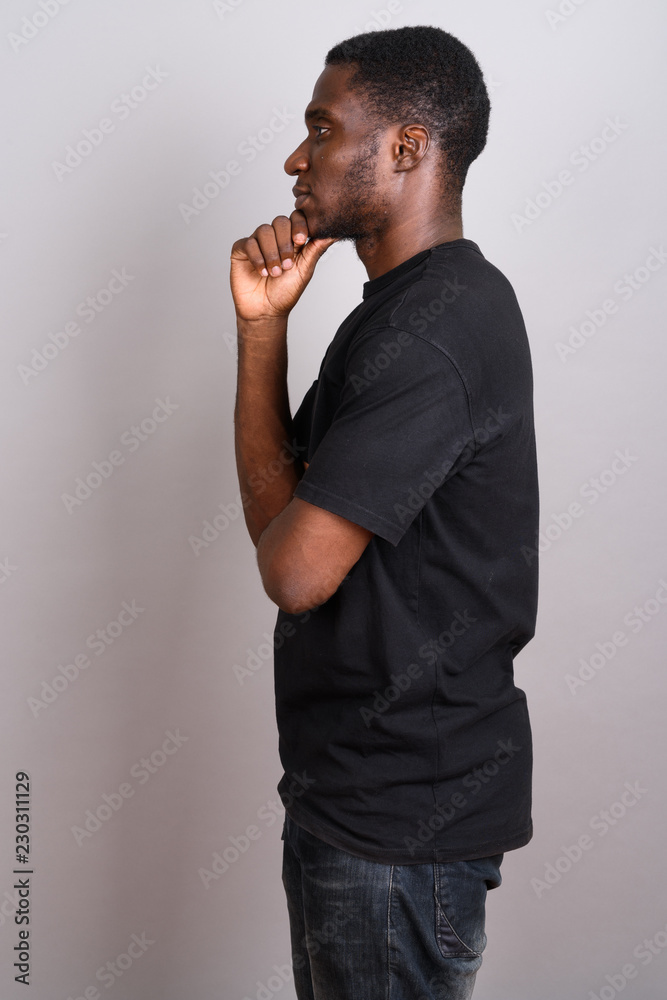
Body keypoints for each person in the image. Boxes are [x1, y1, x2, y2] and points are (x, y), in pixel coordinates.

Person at [230, 24, 539, 1000]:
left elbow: (293, 574)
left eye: (322, 128)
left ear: (406, 147)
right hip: (358, 807)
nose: (297, 157)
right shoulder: (399, 314)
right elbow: (281, 525)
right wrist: (260, 331)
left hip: (398, 829)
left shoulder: (435, 330)